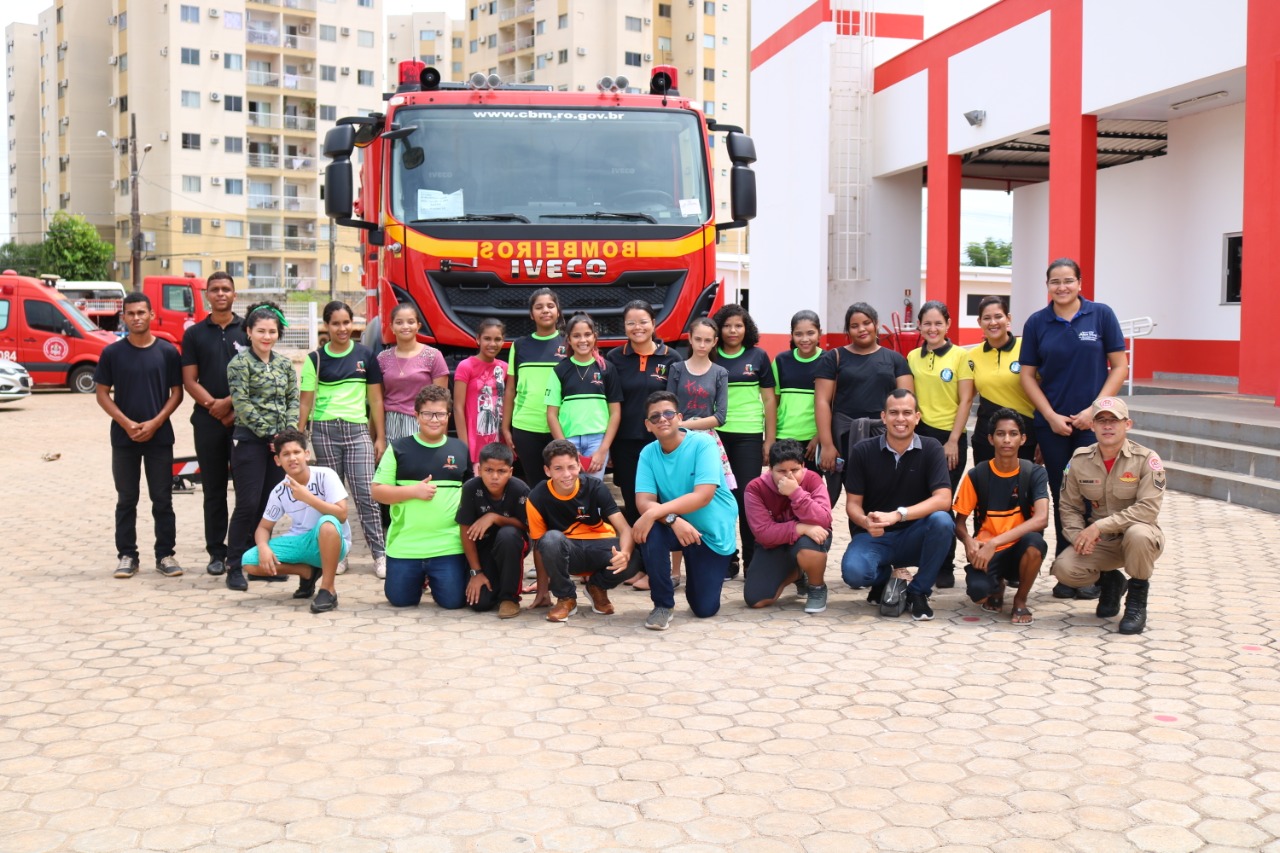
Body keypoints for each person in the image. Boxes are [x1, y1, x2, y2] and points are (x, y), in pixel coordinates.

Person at [1019, 258, 1128, 586]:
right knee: (1062, 494)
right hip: (1053, 428)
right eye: (1055, 281)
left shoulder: (1101, 315)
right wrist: (1050, 417)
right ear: (1047, 285)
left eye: (1068, 280)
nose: (1062, 287)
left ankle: (1096, 571)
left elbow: (1119, 367)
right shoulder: (1037, 322)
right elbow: (1027, 376)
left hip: (1093, 426)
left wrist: (1095, 411)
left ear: (1080, 283)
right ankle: (1068, 572)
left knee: (1096, 496)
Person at [1050, 398, 1164, 634]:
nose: (1108, 426)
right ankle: (1111, 582)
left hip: (1139, 538)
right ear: (1092, 426)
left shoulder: (1146, 459)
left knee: (1139, 533)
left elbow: (1147, 509)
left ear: (1128, 424)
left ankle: (1136, 601)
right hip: (1103, 542)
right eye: (1101, 421)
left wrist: (1098, 527)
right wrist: (1078, 537)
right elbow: (1069, 506)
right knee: (1064, 568)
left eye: (1114, 420)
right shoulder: (1079, 460)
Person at [840, 389, 954, 621]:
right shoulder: (863, 451)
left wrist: (898, 515)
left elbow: (944, 499)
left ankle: (918, 591)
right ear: (883, 417)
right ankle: (883, 579)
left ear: (917, 417)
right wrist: (864, 521)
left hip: (915, 533)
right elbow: (852, 504)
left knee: (942, 521)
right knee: (854, 574)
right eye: (893, 413)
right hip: (875, 535)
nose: (900, 419)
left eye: (906, 413)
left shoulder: (931, 448)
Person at [632, 392, 740, 630]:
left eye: (669, 413)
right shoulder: (648, 453)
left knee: (704, 608)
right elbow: (644, 501)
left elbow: (703, 495)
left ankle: (698, 570)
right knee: (651, 532)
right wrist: (672, 520)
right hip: (678, 527)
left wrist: (653, 513)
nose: (663, 419)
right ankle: (662, 604)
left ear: (679, 417)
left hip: (711, 534)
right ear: (648, 425)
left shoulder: (704, 444)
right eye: (655, 416)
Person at [95, 292, 184, 579]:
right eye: (131, 313)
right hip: (124, 439)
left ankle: (165, 555)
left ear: (151, 315)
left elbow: (177, 393)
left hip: (160, 437)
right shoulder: (112, 353)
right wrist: (126, 423)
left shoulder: (168, 351)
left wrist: (156, 423)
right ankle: (127, 555)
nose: (136, 318)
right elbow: (101, 394)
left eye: (141, 313)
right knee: (126, 498)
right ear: (124, 317)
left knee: (162, 498)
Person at [299, 300, 387, 578]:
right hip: (324, 432)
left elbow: (375, 400)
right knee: (331, 499)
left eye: (346, 323)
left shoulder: (365, 355)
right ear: (326, 326)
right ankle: (338, 554)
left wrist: (380, 437)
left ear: (353, 323)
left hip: (357, 431)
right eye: (335, 323)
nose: (342, 328)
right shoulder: (315, 359)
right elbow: (305, 403)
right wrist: (299, 438)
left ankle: (380, 556)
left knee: (366, 495)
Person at [372, 385, 471, 609]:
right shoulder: (398, 448)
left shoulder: (460, 449)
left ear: (448, 416)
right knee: (400, 600)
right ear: (416, 415)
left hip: (448, 546)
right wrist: (412, 491)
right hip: (406, 545)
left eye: (440, 414)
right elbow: (378, 491)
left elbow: (471, 491)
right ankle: (419, 578)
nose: (434, 419)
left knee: (453, 602)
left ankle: (435, 578)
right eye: (427, 414)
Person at [226, 302, 299, 592]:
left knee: (270, 505)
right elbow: (241, 404)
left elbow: (293, 399)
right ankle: (234, 565)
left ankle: (257, 563)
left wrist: (286, 435)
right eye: (260, 331)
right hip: (250, 442)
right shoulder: (239, 364)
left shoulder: (283, 364)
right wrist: (270, 435)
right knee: (247, 503)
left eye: (272, 331)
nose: (266, 336)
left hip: (278, 445)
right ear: (249, 332)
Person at [953, 409, 1049, 625]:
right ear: (990, 438)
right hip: (987, 552)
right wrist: (969, 542)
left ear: (1023, 439)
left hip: (1018, 549)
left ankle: (1020, 600)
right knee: (979, 594)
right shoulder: (978, 474)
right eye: (1000, 434)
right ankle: (997, 586)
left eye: (1013, 434)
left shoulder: (1033, 473)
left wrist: (995, 542)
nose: (1007, 440)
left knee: (1036, 543)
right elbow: (959, 523)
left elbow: (1042, 519)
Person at [180, 271, 248, 576]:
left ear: (235, 294)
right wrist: (214, 406)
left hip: (245, 420)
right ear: (207, 294)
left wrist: (231, 405)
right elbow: (189, 380)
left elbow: (257, 374)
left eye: (226, 289)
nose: (221, 294)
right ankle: (217, 553)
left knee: (249, 489)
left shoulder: (247, 329)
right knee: (214, 490)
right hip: (207, 421)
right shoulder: (194, 334)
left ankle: (248, 550)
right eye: (215, 289)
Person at [241, 428, 351, 614]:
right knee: (250, 561)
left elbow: (341, 514)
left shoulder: (326, 475)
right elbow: (263, 528)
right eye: (286, 454)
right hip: (300, 542)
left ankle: (328, 589)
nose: (292, 458)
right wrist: (263, 547)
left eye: (296, 452)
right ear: (277, 460)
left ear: (306, 454)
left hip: (331, 540)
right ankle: (307, 573)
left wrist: (307, 497)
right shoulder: (279, 491)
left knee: (327, 523)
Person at [526, 439, 637, 623]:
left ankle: (597, 588)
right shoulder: (537, 497)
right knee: (550, 539)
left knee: (635, 555)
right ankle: (566, 598)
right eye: (558, 468)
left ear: (579, 465)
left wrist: (624, 554)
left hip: (600, 547)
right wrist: (542, 590)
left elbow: (625, 529)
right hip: (569, 551)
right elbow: (539, 546)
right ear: (547, 471)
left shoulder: (595, 487)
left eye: (571, 467)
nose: (567, 474)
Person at [815, 302, 913, 505]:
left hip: (885, 437)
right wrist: (827, 444)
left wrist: (903, 441)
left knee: (884, 493)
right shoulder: (834, 357)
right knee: (854, 493)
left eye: (866, 323)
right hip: (845, 437)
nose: (861, 329)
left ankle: (881, 534)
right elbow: (822, 401)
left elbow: (907, 403)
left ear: (876, 324)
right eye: (854, 325)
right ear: (847, 330)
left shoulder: (895, 360)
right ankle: (858, 535)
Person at [907, 301, 975, 590]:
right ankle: (926, 561)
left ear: (948, 324)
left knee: (943, 502)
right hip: (920, 437)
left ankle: (945, 565)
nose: (932, 329)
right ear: (919, 326)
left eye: (938, 323)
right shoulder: (912, 356)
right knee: (920, 499)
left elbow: (966, 400)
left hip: (950, 438)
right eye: (927, 324)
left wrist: (953, 440)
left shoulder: (961, 356)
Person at [711, 304, 776, 577]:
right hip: (715, 435)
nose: (733, 330)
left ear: (746, 327)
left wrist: (768, 440)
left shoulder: (758, 356)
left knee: (747, 499)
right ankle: (728, 559)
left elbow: (770, 399)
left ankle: (752, 560)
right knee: (721, 498)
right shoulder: (710, 355)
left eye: (738, 325)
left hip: (749, 436)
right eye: (727, 326)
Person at [743, 439, 834, 615]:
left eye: (794, 470)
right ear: (770, 470)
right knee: (757, 599)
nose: (788, 476)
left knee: (810, 546)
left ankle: (816, 587)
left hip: (808, 542)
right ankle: (797, 573)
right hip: (774, 545)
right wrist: (800, 527)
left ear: (803, 466)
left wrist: (795, 493)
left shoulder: (813, 480)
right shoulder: (755, 488)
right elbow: (763, 533)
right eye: (781, 471)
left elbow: (824, 520)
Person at [544, 313, 621, 481]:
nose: (583, 340)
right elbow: (551, 415)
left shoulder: (607, 369)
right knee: (570, 488)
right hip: (568, 439)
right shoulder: (559, 371)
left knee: (593, 489)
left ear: (595, 336)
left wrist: (603, 450)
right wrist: (565, 447)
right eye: (576, 336)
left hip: (598, 441)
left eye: (587, 334)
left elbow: (615, 413)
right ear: (569, 340)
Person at [502, 287, 566, 486]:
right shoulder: (520, 345)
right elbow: (511, 389)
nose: (545, 311)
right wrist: (506, 427)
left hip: (562, 426)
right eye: (539, 307)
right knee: (536, 484)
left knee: (564, 481)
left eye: (550, 306)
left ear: (558, 311)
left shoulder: (569, 342)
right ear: (531, 314)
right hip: (526, 427)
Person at [458, 442, 530, 619]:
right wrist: (476, 573)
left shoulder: (520, 490)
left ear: (510, 472)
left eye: (502, 471)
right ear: (479, 470)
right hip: (483, 545)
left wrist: (494, 517)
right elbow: (465, 532)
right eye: (489, 470)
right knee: (480, 603)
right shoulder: (471, 488)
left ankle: (509, 598)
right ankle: (496, 585)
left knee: (508, 535)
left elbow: (527, 527)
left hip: (513, 543)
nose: (494, 477)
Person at [967, 295, 1038, 465]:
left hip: (1024, 437)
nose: (993, 322)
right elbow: (966, 398)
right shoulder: (971, 356)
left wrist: (1043, 437)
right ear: (979, 322)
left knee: (1021, 490)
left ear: (1008, 318)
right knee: (985, 489)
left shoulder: (1027, 347)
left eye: (998, 316)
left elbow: (1044, 391)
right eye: (987, 318)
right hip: (986, 438)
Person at [377, 302, 449, 444]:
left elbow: (443, 403)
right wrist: (377, 437)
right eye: (399, 322)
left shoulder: (433, 356)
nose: (405, 326)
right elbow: (377, 401)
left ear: (418, 326)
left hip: (423, 424)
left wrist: (442, 439)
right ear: (391, 327)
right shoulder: (382, 358)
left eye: (410, 322)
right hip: (391, 424)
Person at [772, 311, 825, 472]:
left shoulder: (829, 361)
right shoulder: (781, 361)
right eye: (798, 334)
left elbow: (832, 404)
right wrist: (772, 438)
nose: (804, 339)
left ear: (820, 333)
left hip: (812, 440)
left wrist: (819, 437)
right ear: (792, 335)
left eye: (810, 333)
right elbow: (774, 402)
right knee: (782, 486)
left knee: (809, 489)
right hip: (784, 436)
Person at [453, 318, 508, 474]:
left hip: (497, 438)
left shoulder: (504, 368)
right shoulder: (466, 366)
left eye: (497, 339)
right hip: (474, 440)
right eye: (487, 339)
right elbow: (458, 407)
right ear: (478, 339)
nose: (492, 343)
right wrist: (464, 446)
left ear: (503, 341)